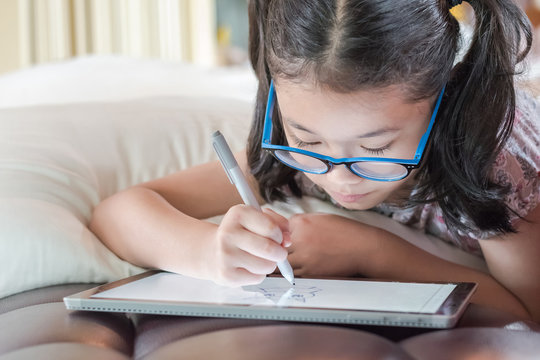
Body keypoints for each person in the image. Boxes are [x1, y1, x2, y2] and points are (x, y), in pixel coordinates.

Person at [90, 0, 540, 322]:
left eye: (376, 148)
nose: (338, 177)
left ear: (445, 98)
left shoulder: (494, 158)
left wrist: (370, 251)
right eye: (306, 136)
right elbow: (119, 214)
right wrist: (209, 252)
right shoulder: (293, 156)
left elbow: (526, 312)